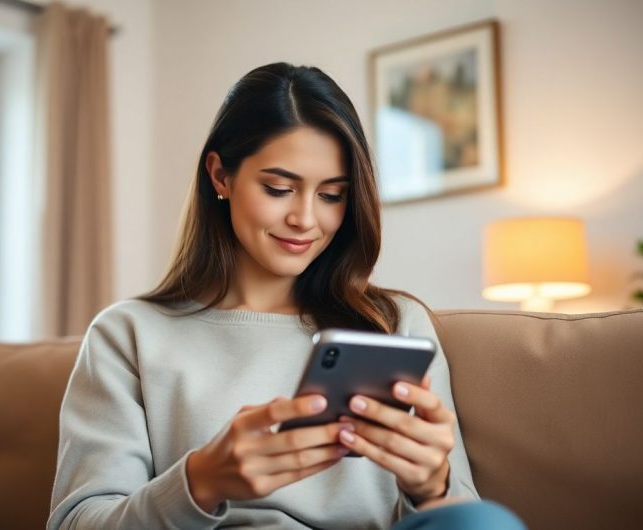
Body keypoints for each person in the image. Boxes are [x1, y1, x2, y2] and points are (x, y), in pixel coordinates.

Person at [47, 62, 526, 530]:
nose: (305, 219)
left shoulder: (395, 322)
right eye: (279, 188)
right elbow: (76, 523)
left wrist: (432, 486)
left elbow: (462, 512)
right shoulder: (129, 334)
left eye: (332, 195)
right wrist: (200, 483)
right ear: (220, 176)